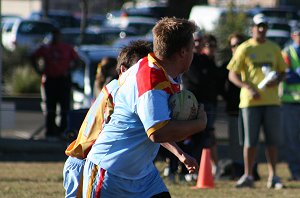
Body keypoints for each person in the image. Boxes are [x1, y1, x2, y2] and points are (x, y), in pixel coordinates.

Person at [82, 17, 207, 197]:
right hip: (111, 172)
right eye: (192, 50)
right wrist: (199, 124)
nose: (193, 55)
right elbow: (157, 132)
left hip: (142, 175)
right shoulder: (151, 82)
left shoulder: (161, 72)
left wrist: (179, 153)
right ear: (182, 52)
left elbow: (152, 122)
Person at [227, 14, 287, 189]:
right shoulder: (244, 48)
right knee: (249, 142)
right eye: (258, 26)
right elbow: (232, 74)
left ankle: (273, 176)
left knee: (272, 141)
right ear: (252, 28)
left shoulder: (274, 48)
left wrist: (277, 80)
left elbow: (282, 71)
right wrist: (248, 87)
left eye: (264, 26)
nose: (261, 29)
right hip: (250, 103)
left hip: (272, 101)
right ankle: (248, 175)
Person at [183, 33, 222, 180]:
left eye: (199, 42)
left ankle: (200, 168)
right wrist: (208, 76)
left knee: (205, 136)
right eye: (195, 42)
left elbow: (214, 77)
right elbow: (198, 79)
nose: (197, 45)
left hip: (206, 103)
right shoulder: (188, 59)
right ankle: (187, 168)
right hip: (192, 104)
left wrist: (209, 75)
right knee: (190, 137)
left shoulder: (205, 59)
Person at [31, 28, 81, 139]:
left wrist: (69, 70)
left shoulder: (67, 48)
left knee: (64, 107)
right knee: (50, 108)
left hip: (63, 80)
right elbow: (33, 57)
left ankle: (63, 130)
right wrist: (39, 70)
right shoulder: (45, 48)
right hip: (50, 80)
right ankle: (50, 131)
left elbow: (77, 60)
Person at [281, 28, 300, 181]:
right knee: (292, 140)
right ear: (293, 35)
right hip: (291, 102)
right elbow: (286, 75)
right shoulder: (287, 52)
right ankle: (295, 171)